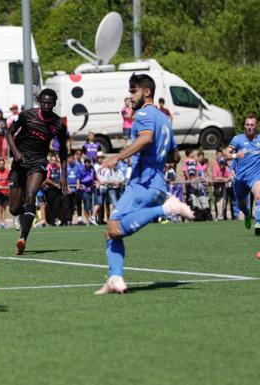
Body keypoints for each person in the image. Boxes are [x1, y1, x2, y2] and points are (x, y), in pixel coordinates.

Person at [96, 73, 194, 295]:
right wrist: (156, 156)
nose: (130, 96)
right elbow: (175, 157)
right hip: (157, 182)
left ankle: (166, 209)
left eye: (133, 91)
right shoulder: (165, 120)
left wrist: (117, 157)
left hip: (143, 182)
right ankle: (115, 278)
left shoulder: (143, 114)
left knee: (114, 227)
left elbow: (146, 137)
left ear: (146, 92)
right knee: (110, 232)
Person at [6, 89, 68, 253]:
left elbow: (63, 152)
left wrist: (64, 178)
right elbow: (9, 133)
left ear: (54, 103)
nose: (46, 105)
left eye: (50, 103)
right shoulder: (27, 115)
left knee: (31, 195)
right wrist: (16, 153)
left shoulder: (59, 124)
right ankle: (25, 213)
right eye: (44, 102)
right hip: (20, 162)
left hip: (38, 162)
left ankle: (22, 239)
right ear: (39, 102)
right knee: (13, 209)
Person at [224, 112, 260, 235]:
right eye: (247, 124)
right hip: (240, 179)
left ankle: (258, 224)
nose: (249, 127)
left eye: (252, 125)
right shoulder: (238, 139)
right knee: (242, 205)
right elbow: (226, 153)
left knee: (259, 195)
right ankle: (247, 214)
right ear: (244, 125)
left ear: (256, 126)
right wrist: (235, 155)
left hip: (255, 176)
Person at [212, 153, 232, 220]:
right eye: (221, 163)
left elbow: (230, 177)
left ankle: (221, 216)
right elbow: (215, 178)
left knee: (224, 202)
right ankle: (219, 217)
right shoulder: (215, 168)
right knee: (219, 202)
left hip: (223, 187)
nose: (222, 165)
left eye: (223, 163)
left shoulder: (226, 168)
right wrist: (224, 179)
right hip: (217, 187)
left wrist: (226, 179)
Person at [0, 158, 10, 228]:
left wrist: (7, 187)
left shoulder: (7, 171)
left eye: (2, 164)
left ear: (4, 164)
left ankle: (4, 222)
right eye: (0, 164)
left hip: (5, 192)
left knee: (4, 208)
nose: (1, 165)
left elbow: (9, 182)